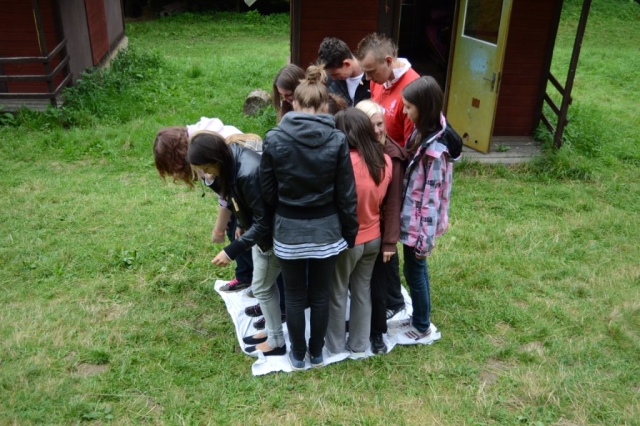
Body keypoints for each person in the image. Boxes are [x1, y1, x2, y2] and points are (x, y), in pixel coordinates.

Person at [260, 65, 359, 371]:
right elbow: (346, 193)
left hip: (288, 230)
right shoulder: (338, 139)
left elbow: (267, 192)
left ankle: (297, 354)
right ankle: (316, 352)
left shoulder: (274, 138)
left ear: (295, 103)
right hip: (327, 230)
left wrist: (269, 230)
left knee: (293, 295)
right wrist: (350, 232)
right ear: (324, 105)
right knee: (320, 294)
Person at [187, 131, 286, 356]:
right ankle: (273, 332)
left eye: (207, 168)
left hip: (273, 237)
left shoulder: (247, 172)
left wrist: (230, 251)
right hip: (260, 235)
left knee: (262, 288)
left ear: (215, 160)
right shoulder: (230, 160)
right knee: (264, 286)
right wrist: (241, 221)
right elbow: (239, 199)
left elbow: (264, 222)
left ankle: (276, 341)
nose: (207, 174)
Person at [152, 119, 253, 293]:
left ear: (176, 156)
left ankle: (262, 283)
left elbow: (227, 195)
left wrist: (218, 231)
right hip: (240, 193)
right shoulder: (197, 142)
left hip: (251, 194)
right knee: (233, 227)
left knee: (242, 234)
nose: (175, 173)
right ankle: (246, 277)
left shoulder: (207, 147)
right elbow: (225, 195)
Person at [398, 76, 461, 340]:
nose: (404, 111)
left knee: (415, 272)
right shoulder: (423, 131)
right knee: (413, 270)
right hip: (413, 221)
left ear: (423, 108)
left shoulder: (435, 150)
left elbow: (432, 198)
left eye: (408, 107)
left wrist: (425, 239)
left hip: (420, 228)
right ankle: (418, 317)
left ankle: (422, 325)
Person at [326, 108, 391, 357]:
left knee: (338, 291)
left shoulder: (342, 164)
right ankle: (359, 344)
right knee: (362, 290)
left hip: (348, 240)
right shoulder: (384, 161)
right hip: (374, 237)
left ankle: (334, 346)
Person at [355, 100, 408, 354]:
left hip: (380, 231)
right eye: (371, 126)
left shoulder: (391, 156)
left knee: (377, 287)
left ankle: (377, 334)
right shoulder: (357, 148)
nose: (377, 130)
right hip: (359, 230)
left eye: (380, 124)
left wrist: (389, 242)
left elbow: (394, 202)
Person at [355, 33, 420, 147]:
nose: (367, 78)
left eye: (371, 71)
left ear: (388, 61)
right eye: (365, 72)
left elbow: (410, 146)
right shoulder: (377, 80)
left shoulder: (413, 89)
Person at [317, 37, 371, 107]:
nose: (333, 78)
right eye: (330, 74)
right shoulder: (328, 82)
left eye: (336, 74)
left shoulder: (373, 79)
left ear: (347, 63)